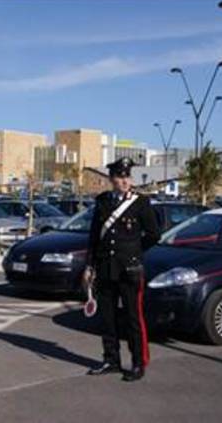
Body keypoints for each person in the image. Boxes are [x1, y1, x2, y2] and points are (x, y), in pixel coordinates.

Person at [83, 157, 161, 382]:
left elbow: (154, 235)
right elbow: (94, 237)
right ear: (111, 179)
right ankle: (111, 360)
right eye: (120, 177)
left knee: (133, 318)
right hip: (106, 268)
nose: (125, 181)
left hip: (130, 269)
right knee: (107, 317)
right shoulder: (103, 202)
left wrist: (135, 252)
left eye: (127, 176)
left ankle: (138, 363)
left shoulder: (140, 203)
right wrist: (90, 265)